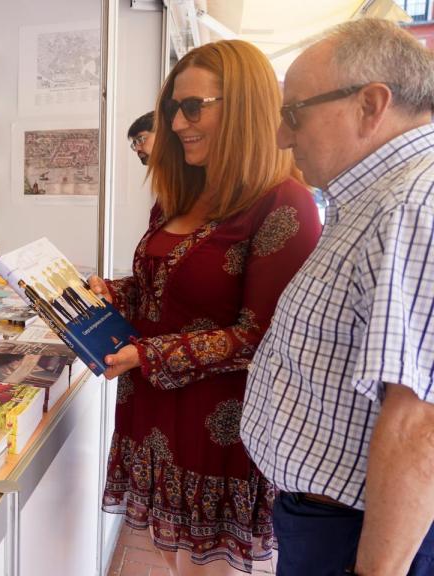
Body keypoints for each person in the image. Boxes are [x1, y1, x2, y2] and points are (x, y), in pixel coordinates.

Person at [86, 39, 322, 574]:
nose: (175, 123)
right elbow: (162, 284)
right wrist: (113, 293)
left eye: (193, 107)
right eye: (173, 107)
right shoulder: (181, 193)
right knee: (173, 558)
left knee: (205, 567)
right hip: (152, 419)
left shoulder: (285, 203)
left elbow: (262, 335)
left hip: (219, 433)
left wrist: (148, 356)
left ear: (244, 106)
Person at [241, 18, 434, 576]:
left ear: (370, 105)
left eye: (293, 113)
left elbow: (419, 418)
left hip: (358, 533)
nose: (282, 136)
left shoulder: (411, 205)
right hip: (331, 519)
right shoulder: (373, 198)